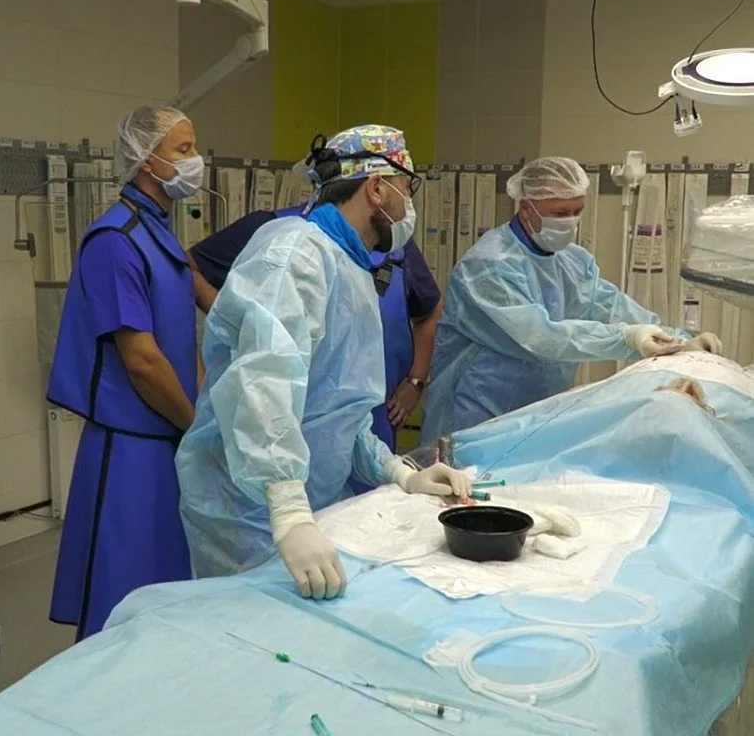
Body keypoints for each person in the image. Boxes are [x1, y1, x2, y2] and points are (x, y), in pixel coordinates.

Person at [175, 125, 471, 602]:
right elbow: (262, 387)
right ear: (377, 188)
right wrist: (289, 512)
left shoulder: (348, 265)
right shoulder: (295, 255)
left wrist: (401, 473)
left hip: (299, 503)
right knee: (246, 631)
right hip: (250, 510)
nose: (408, 207)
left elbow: (338, 412)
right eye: (407, 188)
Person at [419, 156, 723, 445]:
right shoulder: (489, 266)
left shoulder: (573, 261)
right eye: (560, 213)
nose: (570, 221)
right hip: (474, 417)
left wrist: (679, 341)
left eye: (577, 211)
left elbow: (611, 307)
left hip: (536, 417)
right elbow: (541, 338)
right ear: (526, 209)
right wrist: (628, 338)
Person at [47, 105, 201, 640]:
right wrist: (195, 426)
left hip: (167, 438)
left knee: (166, 597)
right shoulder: (115, 240)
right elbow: (142, 360)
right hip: (130, 450)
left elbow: (181, 336)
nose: (195, 161)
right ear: (146, 159)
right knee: (123, 608)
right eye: (183, 150)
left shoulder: (159, 236)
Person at [188, 192, 443, 460]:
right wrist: (241, 322)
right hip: (279, 431)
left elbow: (430, 310)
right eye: (404, 184)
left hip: (365, 422)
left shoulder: (387, 247)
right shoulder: (284, 240)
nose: (408, 197)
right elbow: (265, 400)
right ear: (375, 187)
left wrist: (415, 382)